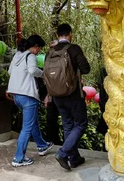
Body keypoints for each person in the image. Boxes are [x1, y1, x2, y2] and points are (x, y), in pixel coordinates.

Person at [48, 23, 91, 170]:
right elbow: (86, 68)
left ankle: (74, 158)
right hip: (72, 94)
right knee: (80, 123)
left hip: (56, 95)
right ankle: (63, 153)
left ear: (57, 35)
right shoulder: (73, 49)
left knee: (67, 124)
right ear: (70, 34)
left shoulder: (51, 51)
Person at [7, 34, 54, 167]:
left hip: (16, 95)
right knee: (27, 127)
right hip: (27, 95)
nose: (39, 52)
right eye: (39, 49)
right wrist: (44, 74)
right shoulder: (30, 56)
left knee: (32, 121)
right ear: (35, 47)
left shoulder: (17, 55)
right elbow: (33, 70)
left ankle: (42, 145)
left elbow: (10, 71)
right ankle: (18, 158)